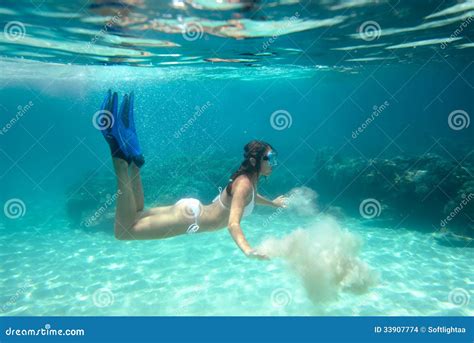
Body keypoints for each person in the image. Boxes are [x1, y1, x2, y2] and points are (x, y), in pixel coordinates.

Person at [98, 90, 287, 259]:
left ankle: (134, 160)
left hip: (192, 212)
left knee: (136, 215)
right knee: (123, 232)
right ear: (255, 161)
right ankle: (119, 154)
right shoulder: (244, 184)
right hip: (188, 219)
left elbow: (251, 198)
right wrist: (248, 250)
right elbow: (233, 224)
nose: (273, 163)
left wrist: (273, 204)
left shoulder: (249, 182)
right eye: (269, 158)